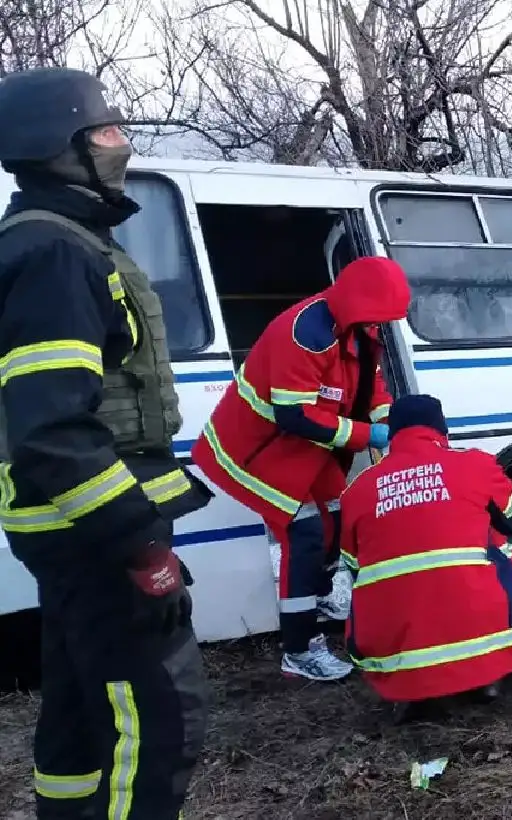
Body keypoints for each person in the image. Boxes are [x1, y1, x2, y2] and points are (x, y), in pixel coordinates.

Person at [0, 67, 214, 819]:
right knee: (156, 724)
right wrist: (140, 547)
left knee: (80, 712)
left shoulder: (54, 243)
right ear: (62, 148)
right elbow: (54, 429)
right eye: (108, 132)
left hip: (69, 535)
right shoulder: (57, 255)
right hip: (95, 537)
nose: (123, 144)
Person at [190, 256, 410, 681]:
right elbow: (295, 416)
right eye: (379, 316)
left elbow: (370, 385)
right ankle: (299, 648)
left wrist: (385, 418)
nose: (382, 324)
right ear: (357, 303)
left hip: (304, 448)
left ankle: (320, 593)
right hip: (257, 450)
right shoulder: (306, 335)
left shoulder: (360, 325)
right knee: (306, 533)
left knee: (339, 520)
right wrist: (370, 436)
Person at [338, 394, 512, 709]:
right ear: (441, 429)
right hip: (491, 642)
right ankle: (487, 676)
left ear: (392, 435)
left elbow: (355, 566)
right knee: (498, 545)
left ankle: (412, 691)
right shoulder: (474, 463)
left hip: (393, 656)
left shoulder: (357, 490)